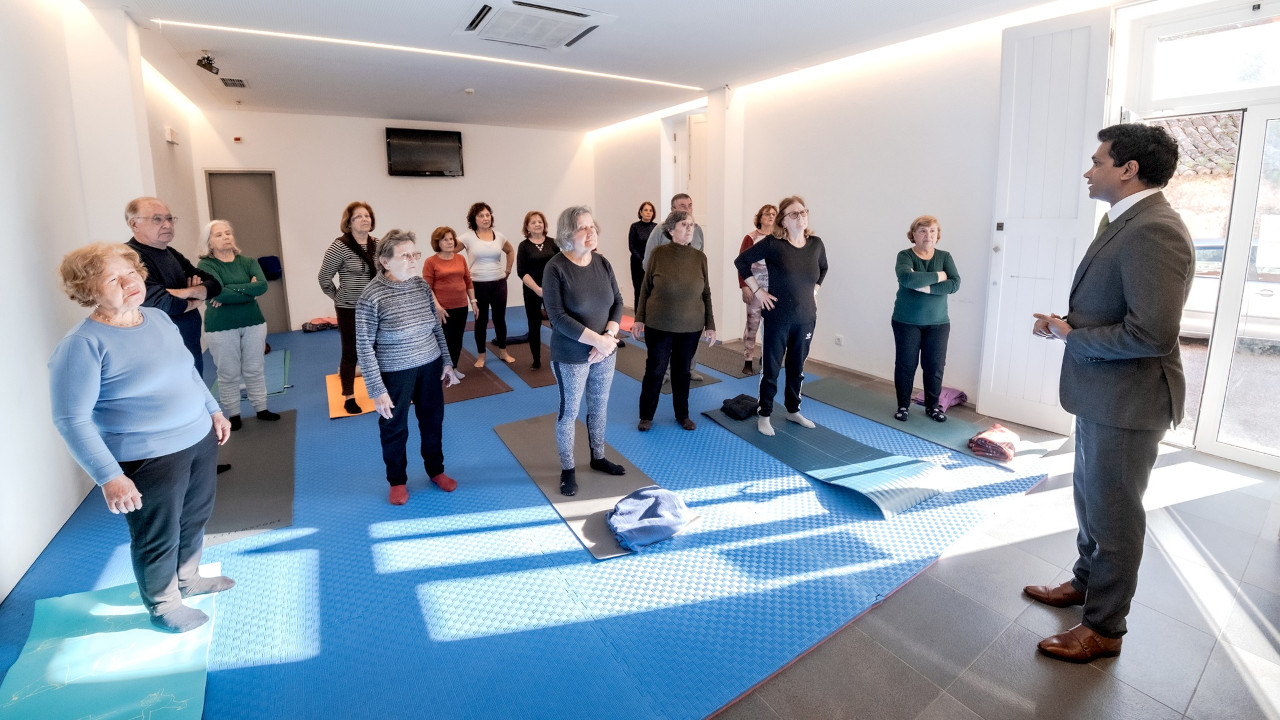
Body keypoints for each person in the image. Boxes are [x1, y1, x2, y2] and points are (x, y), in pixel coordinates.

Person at [1026, 123, 1194, 663]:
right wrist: (1066, 324)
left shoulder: (1155, 230)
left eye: (1098, 161)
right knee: (1090, 501)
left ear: (1128, 169)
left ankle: (1104, 628)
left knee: (1115, 516)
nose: (1088, 170)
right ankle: (1085, 583)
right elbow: (1115, 308)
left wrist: (1073, 338)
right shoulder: (1124, 221)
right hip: (1102, 394)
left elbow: (1152, 334)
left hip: (1129, 402)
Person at [49, 243, 234, 633]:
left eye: (130, 273)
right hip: (147, 456)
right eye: (112, 279)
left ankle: (188, 578)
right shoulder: (82, 345)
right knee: (157, 534)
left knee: (195, 516)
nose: (128, 283)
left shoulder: (158, 317)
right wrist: (109, 477)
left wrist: (213, 410)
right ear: (87, 291)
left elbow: (187, 371)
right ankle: (164, 604)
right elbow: (71, 420)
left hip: (198, 437)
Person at [355, 230, 462, 506]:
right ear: (385, 261)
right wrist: (376, 390)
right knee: (394, 427)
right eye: (405, 255)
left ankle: (436, 470)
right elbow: (364, 348)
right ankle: (397, 482)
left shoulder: (420, 286)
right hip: (395, 371)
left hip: (430, 365)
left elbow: (435, 327)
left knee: (432, 421)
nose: (413, 259)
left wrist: (447, 362)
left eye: (415, 254)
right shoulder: (371, 296)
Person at [543, 206, 627, 497]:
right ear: (568, 233)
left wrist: (609, 337)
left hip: (605, 351)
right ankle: (568, 470)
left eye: (592, 226)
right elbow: (557, 317)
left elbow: (618, 302)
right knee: (569, 413)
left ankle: (598, 457)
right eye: (583, 227)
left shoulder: (602, 262)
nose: (591, 232)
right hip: (571, 355)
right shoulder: (555, 268)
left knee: (599, 406)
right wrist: (598, 341)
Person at [734, 195, 828, 436]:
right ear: (783, 221)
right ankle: (764, 414)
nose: (801, 216)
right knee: (771, 369)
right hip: (778, 318)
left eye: (803, 212)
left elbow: (823, 268)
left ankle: (793, 410)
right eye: (794, 213)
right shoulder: (773, 244)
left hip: (806, 318)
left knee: (797, 368)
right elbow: (742, 261)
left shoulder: (816, 244)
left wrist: (815, 290)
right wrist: (758, 291)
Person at [633, 210, 716, 431]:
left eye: (692, 225)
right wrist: (639, 318)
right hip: (659, 324)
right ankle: (646, 416)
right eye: (684, 225)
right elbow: (645, 288)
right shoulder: (658, 254)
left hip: (691, 326)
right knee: (655, 370)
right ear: (671, 230)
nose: (689, 229)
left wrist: (710, 324)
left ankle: (682, 415)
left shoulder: (700, 258)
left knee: (682, 372)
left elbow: (706, 292)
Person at [197, 220, 281, 430]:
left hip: (253, 322)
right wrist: (246, 291)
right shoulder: (206, 266)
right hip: (220, 327)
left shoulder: (248, 261)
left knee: (255, 368)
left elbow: (261, 286)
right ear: (209, 242)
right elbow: (217, 292)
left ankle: (261, 408)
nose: (225, 237)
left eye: (228, 233)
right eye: (219, 235)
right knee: (228, 373)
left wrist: (227, 291)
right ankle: (233, 415)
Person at [124, 197, 221, 374]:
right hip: (161, 351)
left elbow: (214, 285)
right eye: (157, 219)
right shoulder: (129, 257)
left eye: (169, 218)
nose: (167, 225)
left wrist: (185, 292)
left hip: (189, 343)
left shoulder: (171, 253)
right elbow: (163, 303)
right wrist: (194, 300)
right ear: (134, 224)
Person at [891, 215, 961, 423]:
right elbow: (907, 278)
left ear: (937, 235)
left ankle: (932, 407)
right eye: (922, 230)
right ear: (913, 234)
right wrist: (940, 276)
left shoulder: (945, 257)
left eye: (932, 231)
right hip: (906, 321)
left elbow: (955, 284)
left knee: (934, 367)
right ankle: (903, 406)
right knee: (906, 365)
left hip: (938, 323)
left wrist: (925, 288)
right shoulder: (905, 255)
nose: (928, 235)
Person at [318, 202, 379, 415]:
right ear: (349, 222)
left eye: (367, 216)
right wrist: (338, 297)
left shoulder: (378, 244)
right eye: (358, 216)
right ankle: (349, 396)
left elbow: (386, 271)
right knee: (351, 351)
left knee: (380, 348)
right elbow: (324, 278)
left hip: (375, 307)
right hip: (349, 308)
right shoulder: (339, 246)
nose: (364, 219)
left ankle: (382, 390)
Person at [458, 201, 516, 367]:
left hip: (499, 283)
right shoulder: (467, 237)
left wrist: (508, 270)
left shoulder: (499, 236)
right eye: (481, 216)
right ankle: (481, 355)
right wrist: (460, 274)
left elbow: (510, 251)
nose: (485, 218)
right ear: (474, 219)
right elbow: (448, 251)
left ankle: (503, 351)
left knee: (499, 319)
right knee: (481, 320)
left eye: (487, 215)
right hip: (478, 284)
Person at [421, 226, 476, 374]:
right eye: (445, 239)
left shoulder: (460, 258)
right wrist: (437, 307)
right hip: (443, 308)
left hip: (461, 306)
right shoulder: (431, 262)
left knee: (457, 339)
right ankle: (443, 370)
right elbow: (427, 288)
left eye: (451, 239)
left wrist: (473, 301)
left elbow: (468, 281)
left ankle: (454, 367)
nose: (450, 242)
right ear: (437, 242)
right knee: (445, 340)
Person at [516, 211, 558, 369]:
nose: (537, 224)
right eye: (533, 222)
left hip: (552, 289)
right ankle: (536, 360)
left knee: (556, 324)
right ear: (527, 227)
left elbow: (561, 265)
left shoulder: (553, 243)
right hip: (532, 290)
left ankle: (558, 356)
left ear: (544, 224)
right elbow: (521, 271)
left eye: (540, 221)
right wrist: (537, 289)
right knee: (534, 325)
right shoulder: (524, 246)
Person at [738, 204, 777, 375]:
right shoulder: (751, 238)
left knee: (771, 327)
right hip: (754, 289)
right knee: (752, 325)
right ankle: (748, 359)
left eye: (773, 214)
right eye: (767, 214)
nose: (770, 216)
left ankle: (765, 357)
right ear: (760, 217)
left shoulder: (779, 239)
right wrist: (744, 287)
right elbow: (741, 264)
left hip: (773, 291)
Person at [642, 193, 705, 267]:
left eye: (690, 206)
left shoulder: (698, 231)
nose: (688, 210)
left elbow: (699, 262)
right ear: (673, 210)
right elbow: (647, 263)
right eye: (683, 206)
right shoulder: (660, 229)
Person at [627, 201, 657, 311]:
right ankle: (638, 318)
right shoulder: (634, 227)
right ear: (641, 212)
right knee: (639, 291)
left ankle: (650, 317)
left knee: (652, 291)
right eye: (646, 210)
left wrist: (651, 260)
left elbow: (658, 245)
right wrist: (642, 260)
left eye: (650, 210)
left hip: (652, 264)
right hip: (637, 263)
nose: (648, 212)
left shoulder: (656, 227)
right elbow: (631, 246)